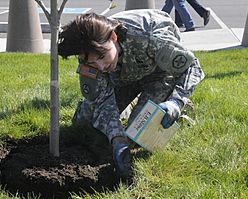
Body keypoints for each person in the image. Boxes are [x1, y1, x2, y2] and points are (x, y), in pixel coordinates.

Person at [58, 9, 205, 178]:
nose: (100, 66)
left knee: (139, 132)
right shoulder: (88, 54)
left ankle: (177, 108)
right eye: (93, 62)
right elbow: (101, 100)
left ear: (113, 38)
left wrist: (176, 102)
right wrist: (117, 140)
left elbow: (192, 67)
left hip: (158, 74)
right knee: (84, 122)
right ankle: (131, 105)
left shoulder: (152, 38)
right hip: (121, 78)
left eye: (102, 56)